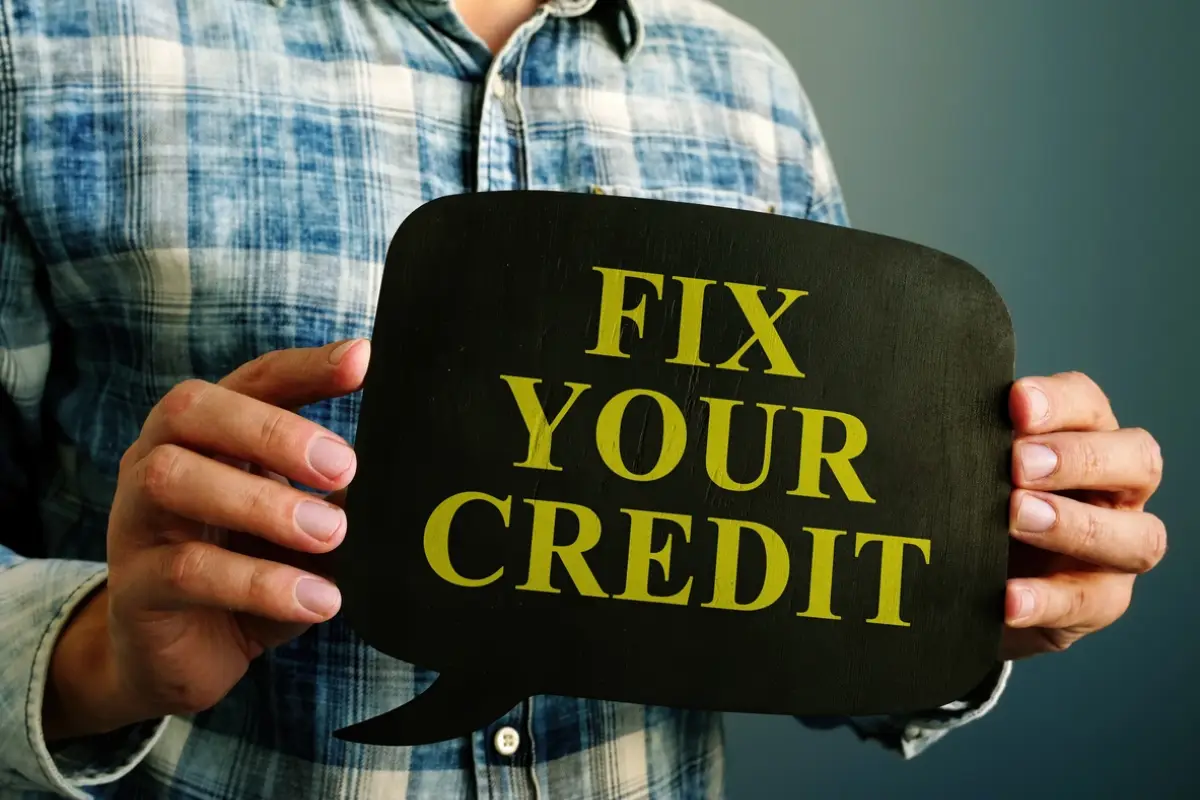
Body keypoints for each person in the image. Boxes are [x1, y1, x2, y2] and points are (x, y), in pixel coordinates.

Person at [0, 0, 1166, 797]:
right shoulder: (42, 42)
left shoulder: (747, 83)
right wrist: (97, 656)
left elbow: (787, 570)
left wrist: (976, 580)